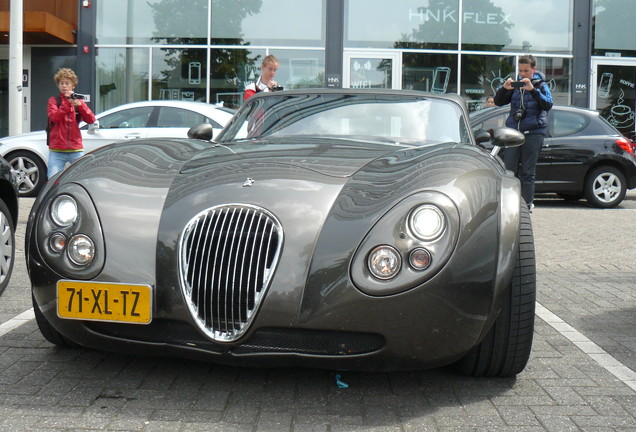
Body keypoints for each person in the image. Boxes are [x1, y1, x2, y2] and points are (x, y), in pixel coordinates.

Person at [494, 55, 553, 212]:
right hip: (514, 132)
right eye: (520, 71)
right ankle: (508, 205)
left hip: (534, 132)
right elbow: (498, 102)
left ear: (534, 70)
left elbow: (548, 104)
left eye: (526, 71)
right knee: (509, 170)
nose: (523, 74)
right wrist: (504, 89)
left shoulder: (541, 85)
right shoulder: (515, 85)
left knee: (528, 171)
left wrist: (533, 90)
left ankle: (526, 206)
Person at [47, 68, 96, 179]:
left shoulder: (77, 101)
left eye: (67, 83)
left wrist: (80, 105)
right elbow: (55, 118)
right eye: (61, 83)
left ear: (73, 86)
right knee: (53, 180)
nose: (64, 86)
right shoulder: (53, 101)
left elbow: (91, 119)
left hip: (75, 149)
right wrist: (67, 104)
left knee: (81, 178)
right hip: (57, 150)